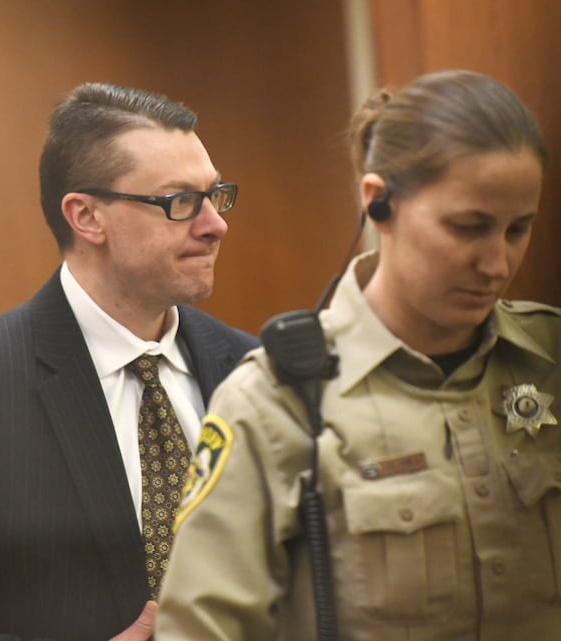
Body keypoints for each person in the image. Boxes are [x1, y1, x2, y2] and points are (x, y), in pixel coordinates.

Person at [0, 82, 258, 641]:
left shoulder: (251, 367)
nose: (214, 225)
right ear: (86, 217)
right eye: (179, 202)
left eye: (215, 195)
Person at [155, 69, 560, 641]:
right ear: (378, 203)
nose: (497, 264)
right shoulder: (277, 402)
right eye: (468, 228)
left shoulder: (549, 358)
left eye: (518, 230)